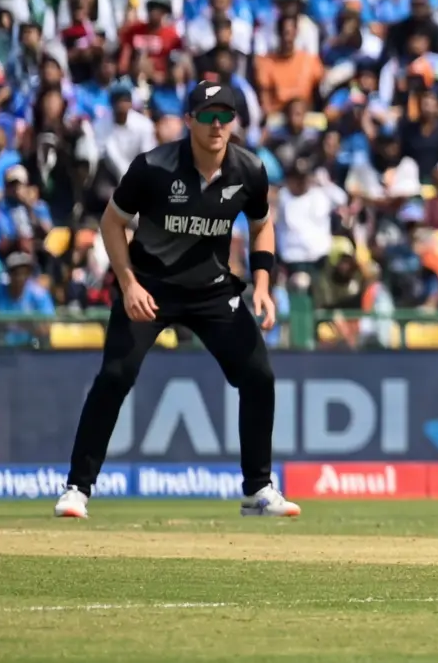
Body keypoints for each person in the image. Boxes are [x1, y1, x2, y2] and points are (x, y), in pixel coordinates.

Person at [57, 80, 297, 520]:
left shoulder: (248, 170)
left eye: (225, 116)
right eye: (207, 116)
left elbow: (262, 224)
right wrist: (128, 284)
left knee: (259, 376)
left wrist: (262, 284)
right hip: (150, 288)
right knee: (115, 376)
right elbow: (112, 224)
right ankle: (77, 488)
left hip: (211, 290)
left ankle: (258, 489)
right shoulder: (153, 167)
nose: (217, 125)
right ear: (189, 121)